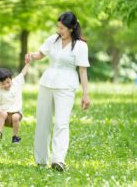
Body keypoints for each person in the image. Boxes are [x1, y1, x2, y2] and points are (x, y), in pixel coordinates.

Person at [26, 11, 90, 172]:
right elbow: (41, 54)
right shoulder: (52, 40)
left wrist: (85, 94)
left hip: (66, 86)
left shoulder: (81, 46)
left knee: (61, 123)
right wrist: (31, 56)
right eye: (58, 27)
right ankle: (41, 160)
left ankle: (58, 160)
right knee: (42, 122)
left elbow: (83, 71)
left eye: (62, 28)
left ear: (72, 28)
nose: (59, 30)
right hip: (47, 84)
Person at [0, 61, 29, 144]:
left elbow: (23, 73)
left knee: (15, 117)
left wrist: (27, 63)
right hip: (5, 117)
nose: (6, 85)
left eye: (8, 82)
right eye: (2, 84)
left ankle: (15, 137)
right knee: (3, 113)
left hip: (16, 113)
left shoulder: (16, 83)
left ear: (11, 78)